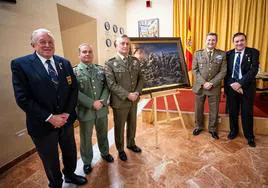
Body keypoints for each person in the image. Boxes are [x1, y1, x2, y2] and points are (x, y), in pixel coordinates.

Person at [11, 28, 87, 188]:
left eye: (50, 42)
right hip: (42, 125)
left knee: (70, 152)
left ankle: (70, 175)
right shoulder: (21, 65)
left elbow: (73, 89)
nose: (47, 45)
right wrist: (50, 118)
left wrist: (66, 113)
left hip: (66, 121)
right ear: (33, 44)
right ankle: (56, 183)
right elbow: (23, 98)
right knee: (50, 159)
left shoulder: (64, 63)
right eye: (42, 42)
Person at [73, 43, 114, 174]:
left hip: (101, 109)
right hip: (86, 111)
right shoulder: (74, 72)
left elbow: (107, 87)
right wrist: (91, 103)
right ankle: (86, 161)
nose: (87, 54)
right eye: (84, 52)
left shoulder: (100, 69)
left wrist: (101, 102)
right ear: (79, 54)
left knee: (103, 133)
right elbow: (74, 92)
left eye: (90, 52)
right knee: (86, 137)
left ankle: (105, 153)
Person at [105, 35, 144, 161]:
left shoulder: (135, 61)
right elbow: (111, 84)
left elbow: (140, 78)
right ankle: (120, 149)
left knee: (132, 124)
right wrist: (128, 95)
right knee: (120, 126)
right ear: (116, 46)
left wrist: (137, 93)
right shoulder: (110, 63)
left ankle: (131, 144)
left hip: (134, 100)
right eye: (122, 43)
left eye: (128, 44)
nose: (126, 46)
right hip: (120, 101)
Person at [224, 32, 259, 147]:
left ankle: (249, 136)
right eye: (237, 41)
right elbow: (226, 72)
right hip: (231, 87)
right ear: (233, 42)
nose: (239, 43)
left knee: (247, 112)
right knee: (232, 111)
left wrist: (240, 84)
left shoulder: (253, 52)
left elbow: (253, 71)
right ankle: (233, 131)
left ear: (245, 41)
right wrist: (234, 84)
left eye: (241, 40)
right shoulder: (228, 54)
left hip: (247, 88)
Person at [192, 32, 227, 139]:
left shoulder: (222, 54)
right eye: (209, 40)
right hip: (200, 86)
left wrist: (212, 83)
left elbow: (223, 71)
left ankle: (212, 129)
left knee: (214, 109)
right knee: (198, 108)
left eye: (213, 40)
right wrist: (204, 83)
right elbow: (195, 70)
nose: (211, 42)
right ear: (205, 40)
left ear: (216, 41)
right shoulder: (198, 54)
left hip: (214, 87)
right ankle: (198, 126)